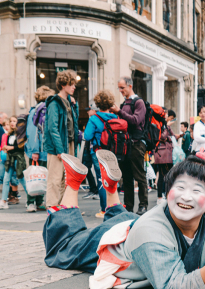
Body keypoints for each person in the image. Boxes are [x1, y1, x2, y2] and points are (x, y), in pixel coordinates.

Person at [43, 150, 205, 289]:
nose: (185, 197)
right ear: (167, 193)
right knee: (63, 247)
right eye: (179, 188)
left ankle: (111, 188)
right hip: (117, 241)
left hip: (134, 222)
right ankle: (73, 181)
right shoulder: (150, 231)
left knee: (128, 219)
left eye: (196, 190)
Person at [110, 76, 148, 215]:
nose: (120, 90)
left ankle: (143, 205)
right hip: (125, 144)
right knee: (126, 177)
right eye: (119, 88)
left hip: (137, 144)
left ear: (130, 86)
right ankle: (128, 207)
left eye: (122, 88)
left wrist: (119, 112)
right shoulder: (124, 104)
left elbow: (136, 121)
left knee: (139, 175)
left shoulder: (139, 102)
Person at [44, 70, 79, 207]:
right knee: (55, 177)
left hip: (68, 142)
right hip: (57, 145)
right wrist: (59, 149)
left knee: (67, 178)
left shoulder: (69, 102)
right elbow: (52, 128)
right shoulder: (54, 103)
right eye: (71, 84)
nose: (74, 87)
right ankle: (52, 207)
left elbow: (72, 124)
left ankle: (65, 206)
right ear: (63, 84)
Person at [84, 90, 118, 218]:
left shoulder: (94, 118)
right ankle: (114, 206)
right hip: (113, 152)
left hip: (98, 152)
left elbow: (87, 136)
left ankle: (104, 209)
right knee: (112, 179)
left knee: (101, 180)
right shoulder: (115, 117)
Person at [25, 86, 53, 212]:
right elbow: (33, 131)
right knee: (35, 176)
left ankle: (39, 201)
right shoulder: (37, 111)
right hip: (39, 149)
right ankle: (31, 202)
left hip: (44, 149)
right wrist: (35, 150)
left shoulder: (41, 110)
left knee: (41, 176)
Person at [0, 116, 29, 210]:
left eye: (14, 121)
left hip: (18, 158)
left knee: (21, 179)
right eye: (11, 121)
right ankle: (4, 201)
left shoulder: (20, 133)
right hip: (10, 159)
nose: (12, 123)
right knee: (6, 179)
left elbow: (22, 146)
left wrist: (11, 148)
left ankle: (31, 199)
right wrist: (4, 148)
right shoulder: (9, 134)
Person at [155, 118, 175, 204]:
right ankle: (160, 197)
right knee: (162, 176)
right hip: (162, 154)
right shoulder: (158, 125)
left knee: (168, 175)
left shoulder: (165, 126)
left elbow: (173, 136)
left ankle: (167, 195)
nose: (167, 117)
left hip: (168, 153)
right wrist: (167, 127)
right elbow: (162, 137)